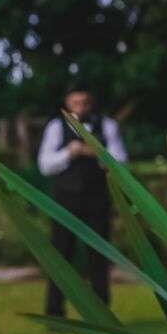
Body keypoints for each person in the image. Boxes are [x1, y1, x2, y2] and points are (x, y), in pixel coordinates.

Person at [36, 82, 128, 317]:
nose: (81, 106)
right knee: (60, 256)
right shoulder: (56, 127)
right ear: (68, 103)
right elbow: (45, 165)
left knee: (98, 256)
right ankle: (54, 311)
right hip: (65, 201)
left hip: (97, 200)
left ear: (91, 102)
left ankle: (101, 314)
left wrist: (93, 151)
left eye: (85, 102)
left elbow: (120, 163)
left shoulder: (107, 126)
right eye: (76, 102)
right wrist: (69, 152)